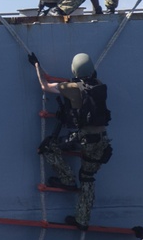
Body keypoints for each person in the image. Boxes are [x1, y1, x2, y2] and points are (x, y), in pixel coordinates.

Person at [33, 52, 112, 230]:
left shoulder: (72, 87)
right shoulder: (99, 85)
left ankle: (67, 179)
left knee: (49, 147)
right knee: (87, 177)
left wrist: (36, 65)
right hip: (102, 140)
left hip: (84, 138)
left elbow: (45, 86)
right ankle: (82, 219)